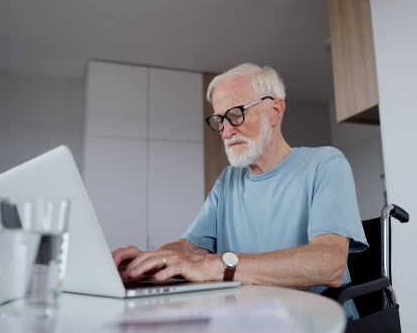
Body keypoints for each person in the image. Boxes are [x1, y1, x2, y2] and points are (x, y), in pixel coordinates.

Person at [112, 63, 368, 320]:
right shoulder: (228, 180)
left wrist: (219, 264)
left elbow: (330, 264)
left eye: (236, 114)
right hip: (249, 319)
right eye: (219, 119)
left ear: (275, 110)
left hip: (315, 321)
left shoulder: (325, 164)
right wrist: (145, 263)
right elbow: (189, 249)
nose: (226, 130)